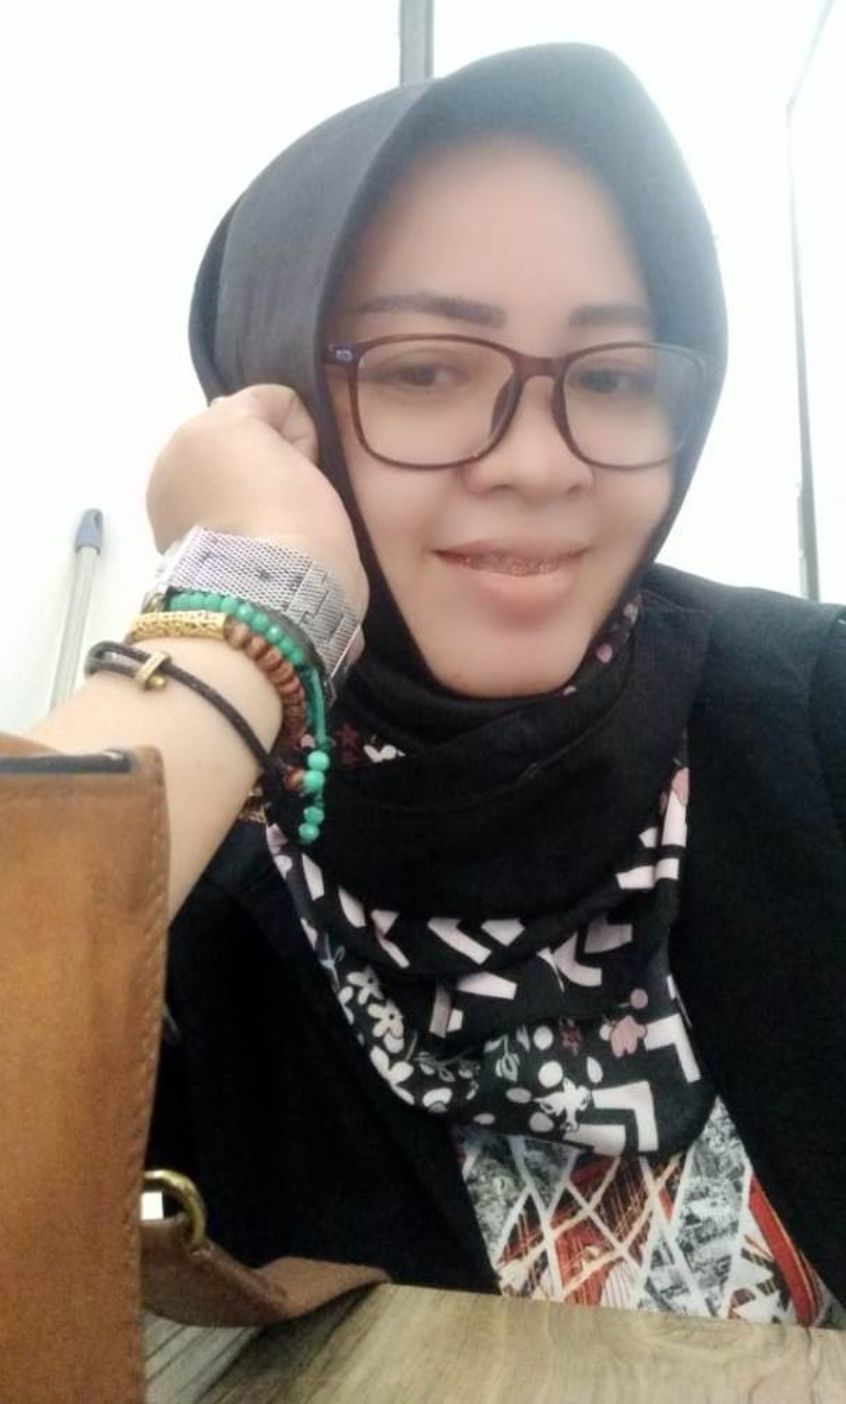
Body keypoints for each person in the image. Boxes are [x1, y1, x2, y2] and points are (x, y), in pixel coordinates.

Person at [25, 44, 846, 1323]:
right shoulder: (190, 877)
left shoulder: (808, 718)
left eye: (615, 377)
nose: (541, 463)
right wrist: (247, 606)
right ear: (275, 398)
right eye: (423, 369)